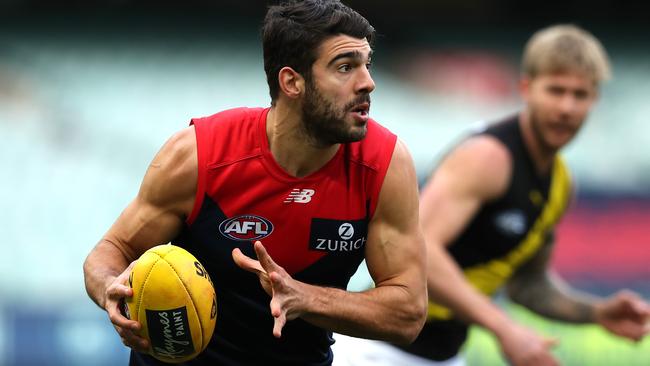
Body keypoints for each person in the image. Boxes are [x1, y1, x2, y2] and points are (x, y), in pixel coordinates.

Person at [82, 1, 429, 365]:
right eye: (345, 68)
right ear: (292, 81)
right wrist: (111, 288)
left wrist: (304, 297)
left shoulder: (384, 164)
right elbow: (110, 251)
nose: (368, 83)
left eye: (367, 65)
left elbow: (408, 313)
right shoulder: (201, 153)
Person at [332, 24, 650, 366]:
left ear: (595, 101)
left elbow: (526, 286)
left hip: (443, 355)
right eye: (556, 91)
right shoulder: (488, 157)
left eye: (580, 95)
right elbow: (419, 252)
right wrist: (504, 328)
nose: (566, 108)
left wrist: (597, 313)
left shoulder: (560, 183)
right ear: (526, 88)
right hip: (376, 350)